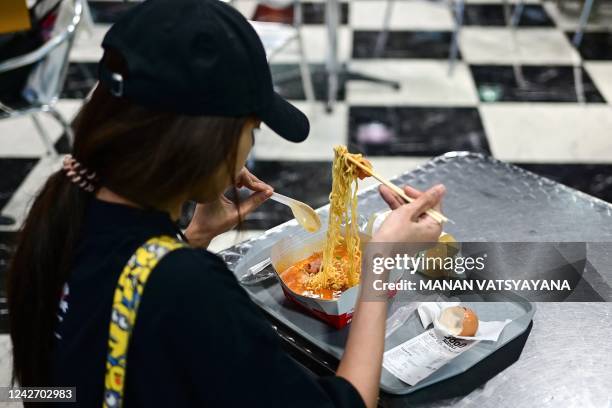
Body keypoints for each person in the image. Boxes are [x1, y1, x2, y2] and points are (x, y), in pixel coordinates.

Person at [7, 0, 445, 407]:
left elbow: (56, 388)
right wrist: (380, 265)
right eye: (250, 130)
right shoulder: (188, 287)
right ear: (208, 143)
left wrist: (193, 237)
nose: (248, 149)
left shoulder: (60, 211)